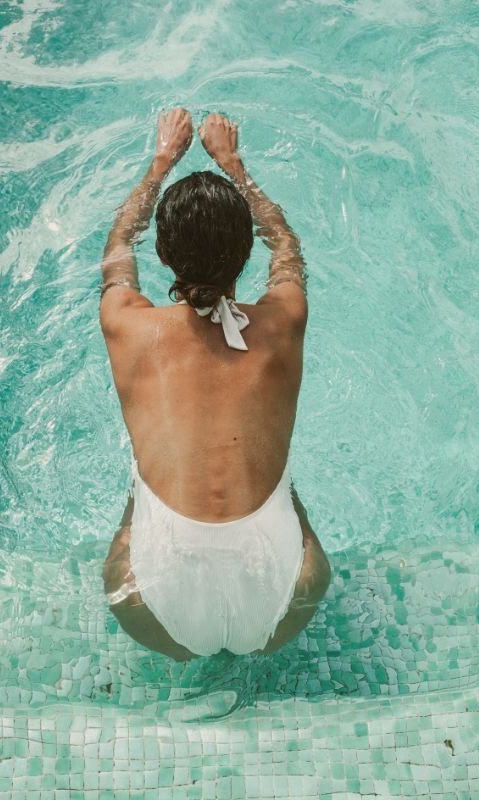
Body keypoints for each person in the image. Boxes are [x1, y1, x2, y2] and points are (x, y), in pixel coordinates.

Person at [98, 108, 331, 661]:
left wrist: (160, 164)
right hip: (287, 595)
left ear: (163, 255)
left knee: (140, 491)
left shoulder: (127, 325)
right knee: (284, 486)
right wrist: (235, 166)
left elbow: (116, 245)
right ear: (244, 255)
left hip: (152, 605)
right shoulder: (285, 318)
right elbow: (288, 249)